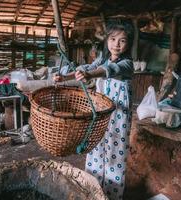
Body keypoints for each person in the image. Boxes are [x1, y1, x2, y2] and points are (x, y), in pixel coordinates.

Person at [53, 19, 134, 200]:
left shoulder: (127, 64)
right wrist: (64, 77)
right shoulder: (102, 58)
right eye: (113, 39)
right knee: (96, 147)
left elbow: (108, 70)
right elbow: (87, 68)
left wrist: (90, 74)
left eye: (122, 40)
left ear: (129, 44)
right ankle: (93, 189)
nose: (117, 44)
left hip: (118, 116)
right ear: (107, 40)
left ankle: (112, 195)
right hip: (99, 112)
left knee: (115, 153)